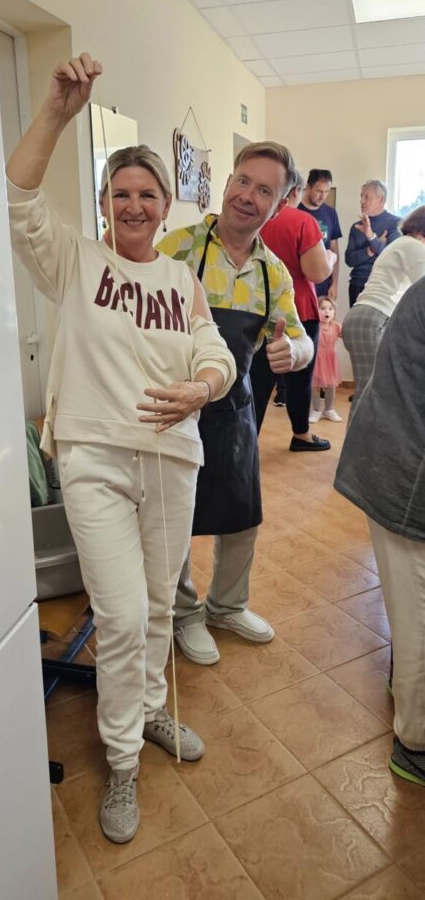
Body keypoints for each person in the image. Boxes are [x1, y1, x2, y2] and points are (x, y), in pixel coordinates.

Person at [6, 53, 237, 844]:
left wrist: (203, 386)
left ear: (165, 206)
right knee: (123, 611)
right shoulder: (76, 261)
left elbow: (213, 350)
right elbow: (18, 199)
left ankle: (146, 710)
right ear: (105, 204)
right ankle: (123, 760)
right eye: (120, 193)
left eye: (147, 194)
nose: (134, 205)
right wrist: (56, 113)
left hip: (172, 462)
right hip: (96, 460)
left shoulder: (180, 280)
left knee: (158, 607)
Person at [159, 143, 313, 666]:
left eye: (264, 190)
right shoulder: (178, 250)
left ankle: (227, 605)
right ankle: (184, 613)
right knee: (176, 516)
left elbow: (300, 338)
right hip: (179, 407)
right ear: (227, 183)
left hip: (238, 410)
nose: (248, 196)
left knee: (242, 516)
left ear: (280, 203)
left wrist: (294, 351)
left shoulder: (273, 273)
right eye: (243, 181)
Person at [334, 277, 425, 787]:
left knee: (413, 607)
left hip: (397, 455)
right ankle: (416, 745)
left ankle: (402, 680)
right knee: (420, 619)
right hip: (405, 473)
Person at [250, 173, 335, 449]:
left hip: (255, 302)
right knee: (300, 376)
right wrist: (330, 259)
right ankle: (301, 435)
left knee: (256, 379)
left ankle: (247, 440)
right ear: (296, 191)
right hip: (297, 307)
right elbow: (317, 272)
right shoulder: (303, 221)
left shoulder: (255, 216)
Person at [342, 207, 425, 420]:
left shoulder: (400, 244)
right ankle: (358, 443)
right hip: (373, 317)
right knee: (370, 394)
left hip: (364, 316)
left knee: (367, 392)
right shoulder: (414, 246)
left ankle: (359, 441)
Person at [345, 179, 400, 306]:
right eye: (361, 196)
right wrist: (372, 249)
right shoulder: (356, 226)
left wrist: (370, 236)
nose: (361, 201)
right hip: (357, 284)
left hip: (382, 287)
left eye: (366, 197)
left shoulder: (395, 223)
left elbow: (390, 257)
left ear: (381, 199)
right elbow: (349, 260)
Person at [299, 168, 342, 299]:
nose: (323, 196)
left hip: (324, 285)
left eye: (326, 191)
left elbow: (334, 249)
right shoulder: (296, 211)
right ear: (308, 188)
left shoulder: (331, 213)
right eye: (319, 191)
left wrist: (334, 284)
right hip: (301, 284)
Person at [309, 297, 342, 423]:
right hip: (317, 360)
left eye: (330, 308)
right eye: (322, 308)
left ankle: (329, 409)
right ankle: (316, 410)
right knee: (315, 386)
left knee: (331, 386)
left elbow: (347, 335)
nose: (327, 311)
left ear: (334, 311)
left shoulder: (337, 326)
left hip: (331, 361)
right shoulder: (314, 326)